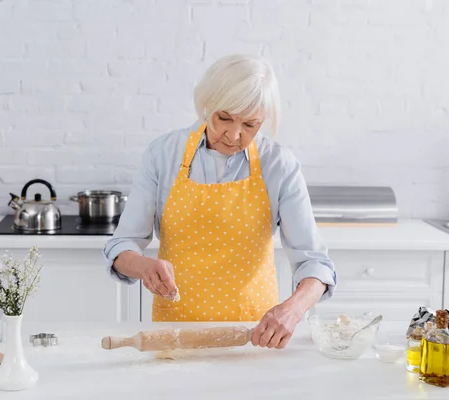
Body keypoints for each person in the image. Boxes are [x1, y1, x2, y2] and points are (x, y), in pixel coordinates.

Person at [103, 54, 337, 349]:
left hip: (253, 336)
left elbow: (315, 262)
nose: (234, 134)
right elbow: (122, 245)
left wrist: (292, 310)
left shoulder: (279, 165)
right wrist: (143, 266)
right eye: (223, 118)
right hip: (174, 332)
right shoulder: (163, 154)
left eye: (250, 125)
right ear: (206, 105)